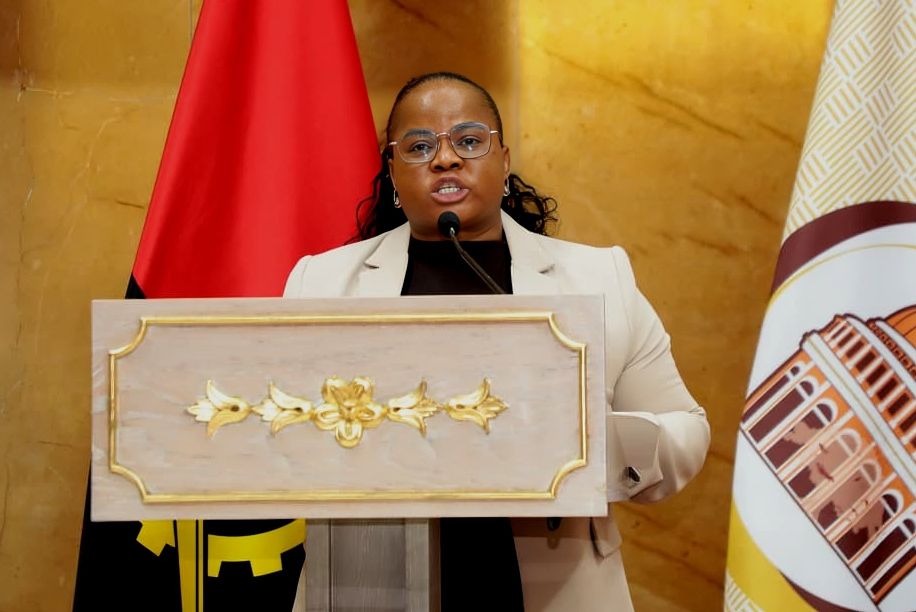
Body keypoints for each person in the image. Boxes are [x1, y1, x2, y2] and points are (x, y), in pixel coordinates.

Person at [284, 71, 710, 611]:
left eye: (468, 141)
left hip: (556, 583)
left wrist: (591, 446)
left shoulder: (599, 279)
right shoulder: (322, 284)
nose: (445, 159)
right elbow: (283, 433)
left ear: (504, 161)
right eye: (419, 146)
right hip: (370, 580)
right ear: (392, 172)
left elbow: (686, 428)